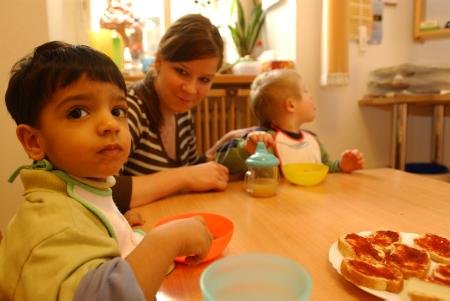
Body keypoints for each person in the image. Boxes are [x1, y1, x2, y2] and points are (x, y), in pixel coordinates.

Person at [0, 41, 213, 300]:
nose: (110, 124)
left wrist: (112, 225)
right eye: (77, 112)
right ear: (34, 141)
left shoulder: (82, 188)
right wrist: (168, 240)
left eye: (117, 111)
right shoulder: (53, 223)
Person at [114, 14, 249, 214]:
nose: (191, 89)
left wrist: (214, 153)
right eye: (182, 72)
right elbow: (102, 189)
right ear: (159, 62)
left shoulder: (182, 114)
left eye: (204, 79)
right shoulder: (130, 111)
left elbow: (189, 171)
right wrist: (185, 176)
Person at [216, 69, 364, 176]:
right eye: (305, 91)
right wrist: (246, 149)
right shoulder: (263, 142)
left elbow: (325, 168)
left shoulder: (313, 140)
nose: (311, 96)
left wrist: (341, 166)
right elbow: (223, 163)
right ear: (291, 105)